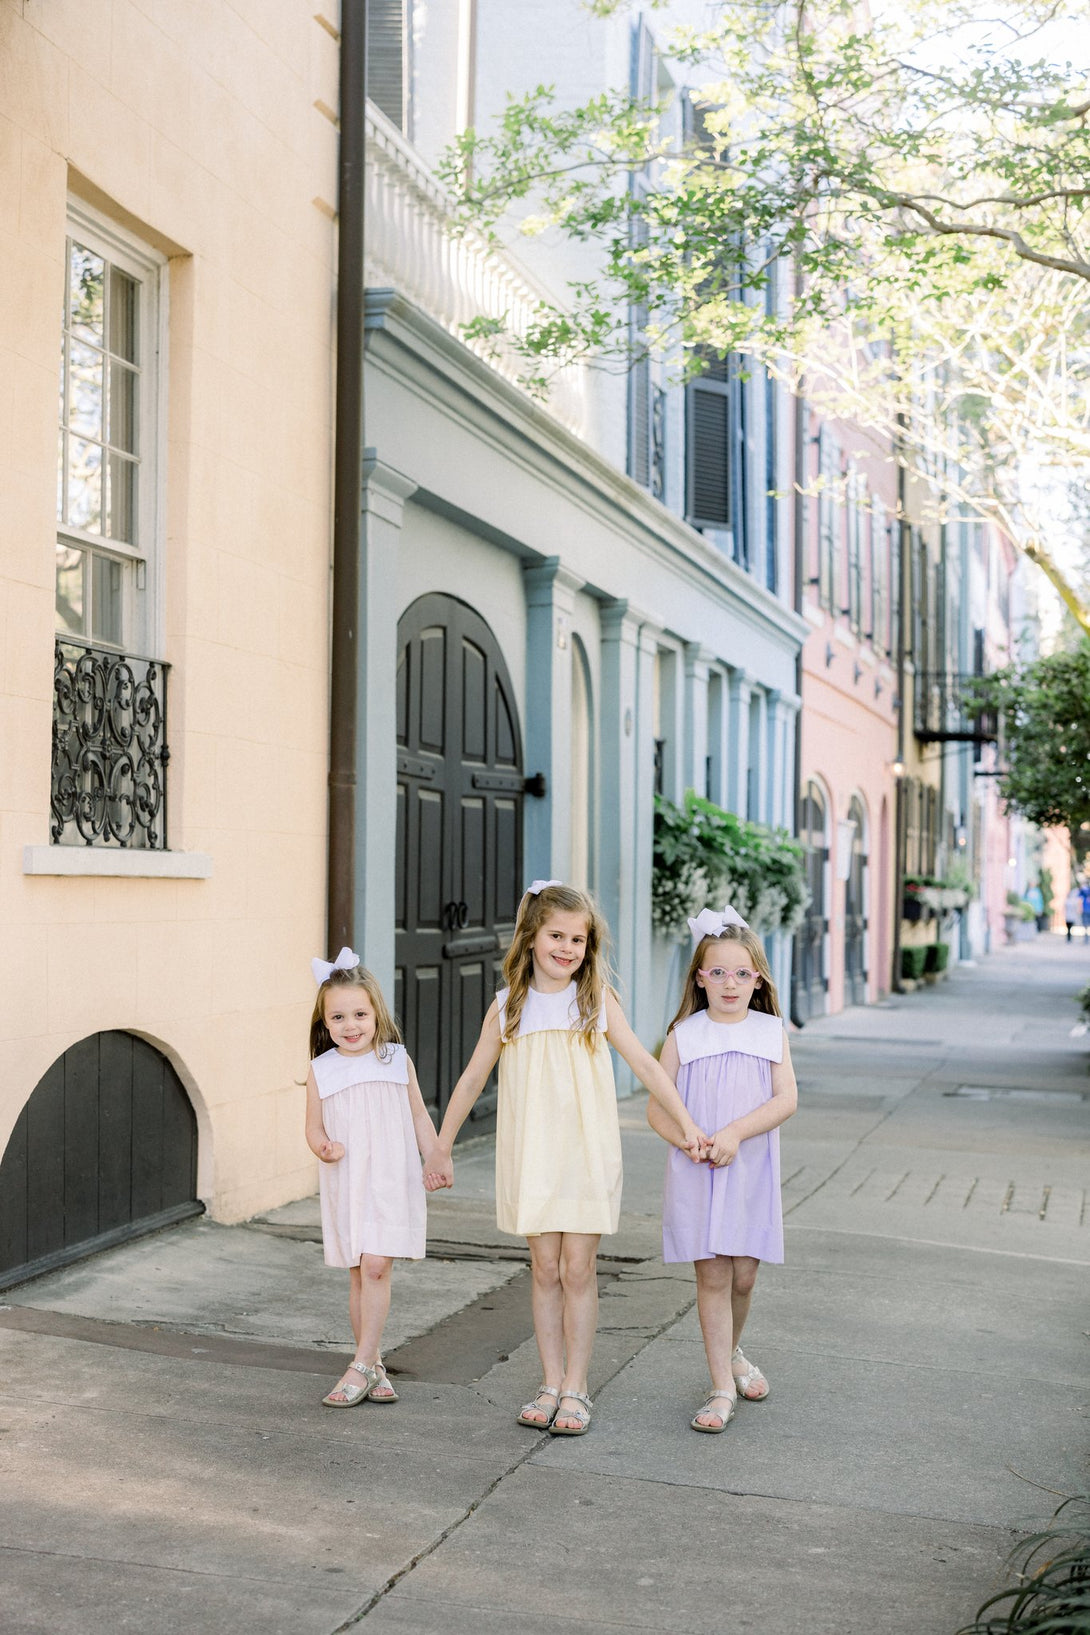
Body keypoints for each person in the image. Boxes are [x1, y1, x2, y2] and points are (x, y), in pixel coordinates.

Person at [425, 881, 707, 1437]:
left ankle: (577, 1387)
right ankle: (549, 1381)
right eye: (557, 935)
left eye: (578, 939)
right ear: (531, 937)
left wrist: (688, 1124)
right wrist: (441, 1143)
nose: (568, 948)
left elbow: (649, 1068)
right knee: (545, 1269)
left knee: (578, 1270)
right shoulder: (509, 1004)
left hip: (585, 1152)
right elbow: (473, 1076)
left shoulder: (595, 998)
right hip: (532, 1154)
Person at [648, 905, 798, 1433]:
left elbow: (786, 1100)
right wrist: (686, 1138)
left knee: (743, 1274)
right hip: (699, 1169)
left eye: (741, 973)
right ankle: (719, 1387)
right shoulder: (683, 1035)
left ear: (757, 980)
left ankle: (733, 1351)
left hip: (749, 1166)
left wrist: (735, 1132)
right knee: (712, 1273)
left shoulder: (769, 1031)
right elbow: (655, 1109)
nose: (729, 983)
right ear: (699, 977)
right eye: (717, 972)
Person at [305, 948, 447, 1408]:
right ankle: (375, 1364)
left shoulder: (395, 1059)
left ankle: (360, 1366)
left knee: (377, 1266)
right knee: (358, 1275)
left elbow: (419, 1115)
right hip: (348, 1179)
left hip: (390, 1177)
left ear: (377, 1013)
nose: (351, 1025)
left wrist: (435, 1157)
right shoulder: (321, 1071)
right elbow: (313, 1127)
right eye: (339, 1017)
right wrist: (324, 1147)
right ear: (325, 1024)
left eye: (360, 1014)